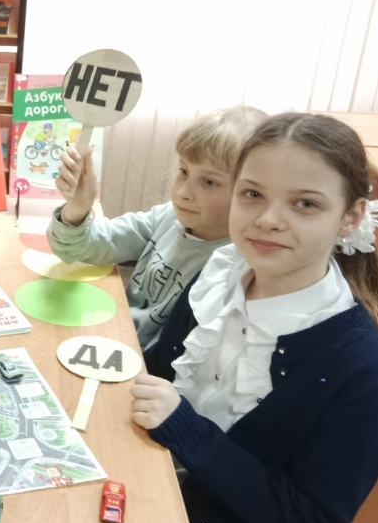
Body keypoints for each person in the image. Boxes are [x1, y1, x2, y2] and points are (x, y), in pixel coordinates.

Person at [134, 112, 378, 523]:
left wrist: (188, 431)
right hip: (148, 488)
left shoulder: (360, 367)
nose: (267, 220)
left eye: (305, 204)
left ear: (350, 217)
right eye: (252, 194)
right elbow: (162, 369)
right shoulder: (221, 272)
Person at [47, 105, 267, 350]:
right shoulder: (168, 217)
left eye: (209, 182)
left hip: (145, 360)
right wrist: (78, 208)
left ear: (249, 194)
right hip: (115, 334)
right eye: (183, 171)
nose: (183, 192)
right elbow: (76, 248)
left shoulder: (235, 267)